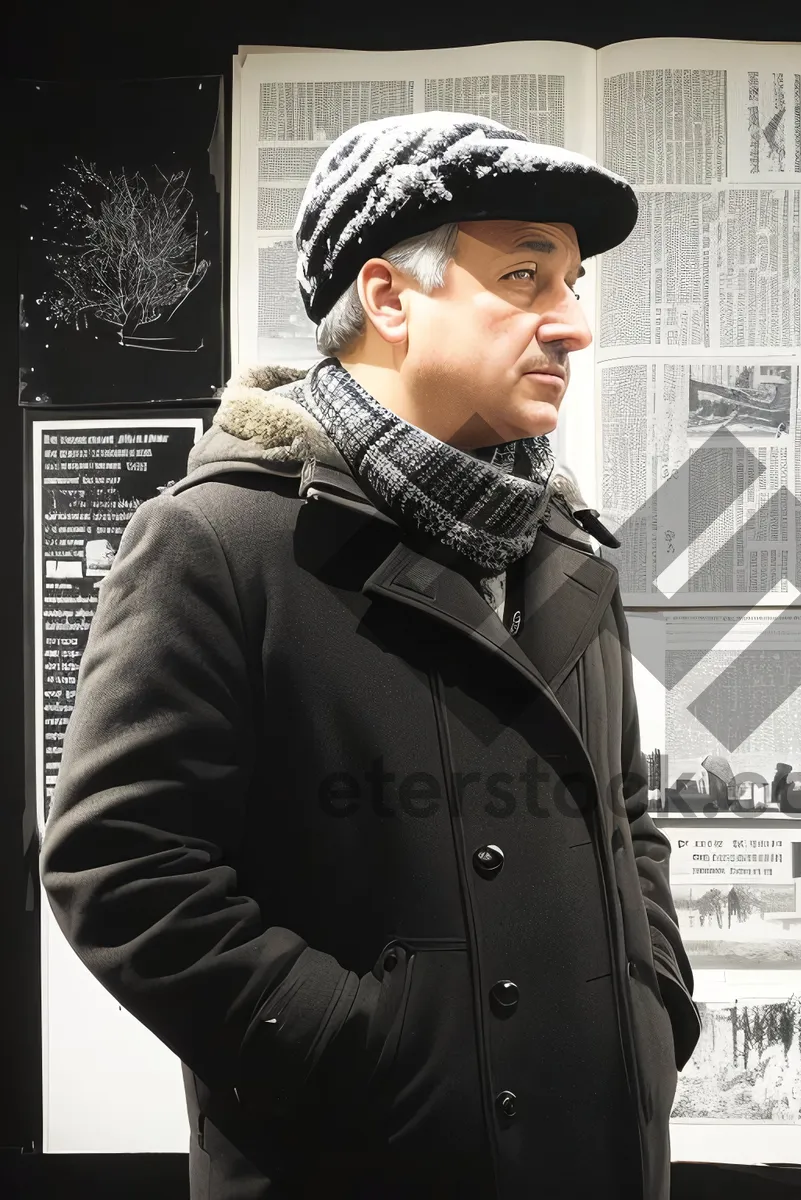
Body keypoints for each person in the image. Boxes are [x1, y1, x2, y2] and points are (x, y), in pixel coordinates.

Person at [39, 113, 700, 1200]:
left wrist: (652, 1002)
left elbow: (626, 812)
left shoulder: (564, 540)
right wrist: (370, 1048)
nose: (572, 324)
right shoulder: (224, 539)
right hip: (366, 1159)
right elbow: (120, 869)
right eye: (527, 278)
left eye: (574, 284)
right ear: (389, 298)